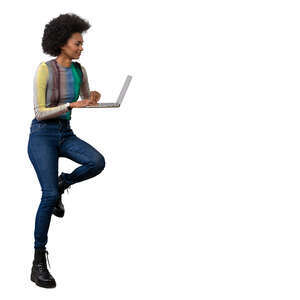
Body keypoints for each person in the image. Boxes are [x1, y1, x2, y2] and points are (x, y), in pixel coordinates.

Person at [27, 13, 105, 288]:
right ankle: (38, 261)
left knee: (96, 161)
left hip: (65, 133)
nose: (82, 48)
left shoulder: (79, 70)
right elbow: (39, 113)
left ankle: (64, 183)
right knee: (47, 196)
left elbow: (85, 98)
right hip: (43, 135)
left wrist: (92, 98)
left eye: (82, 43)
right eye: (77, 43)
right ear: (62, 43)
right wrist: (71, 106)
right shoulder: (45, 69)